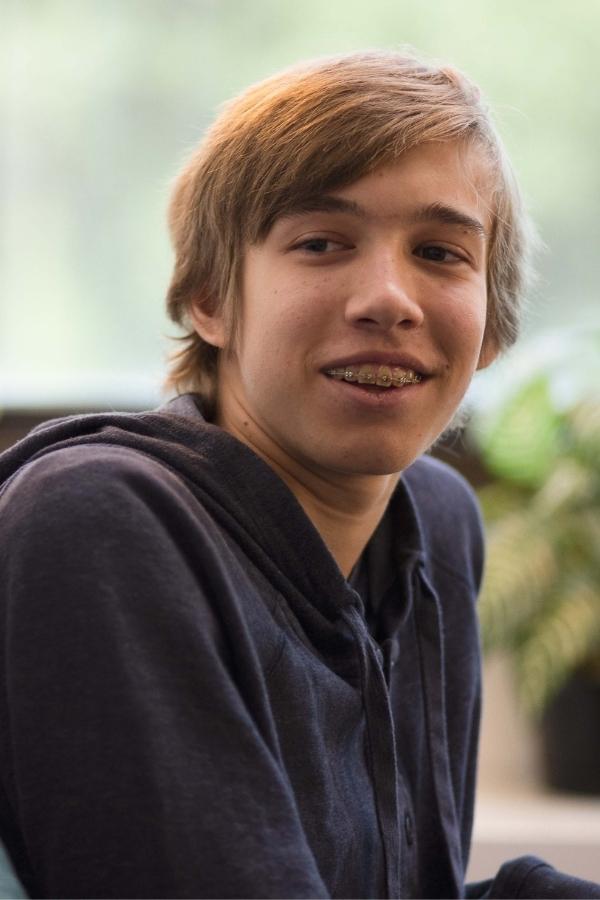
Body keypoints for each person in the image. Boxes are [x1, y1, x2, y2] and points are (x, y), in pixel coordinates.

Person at [0, 50, 597, 900]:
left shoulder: (435, 522)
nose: (389, 298)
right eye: (321, 243)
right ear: (208, 298)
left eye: (439, 251)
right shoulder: (97, 520)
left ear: (491, 329)